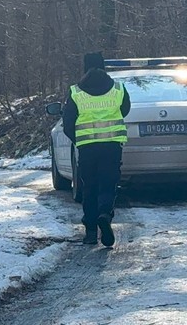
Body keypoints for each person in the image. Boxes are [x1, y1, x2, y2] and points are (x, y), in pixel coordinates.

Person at [62, 52, 131, 247]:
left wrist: (80, 140)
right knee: (108, 183)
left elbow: (68, 123)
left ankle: (91, 233)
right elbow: (125, 110)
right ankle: (105, 214)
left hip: (87, 148)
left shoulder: (76, 92)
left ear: (85, 68)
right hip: (112, 146)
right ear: (104, 67)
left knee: (89, 187)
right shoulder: (118, 89)